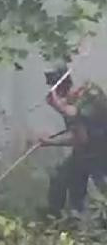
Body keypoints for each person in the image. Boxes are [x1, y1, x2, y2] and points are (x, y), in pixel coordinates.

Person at [39, 66, 107, 214]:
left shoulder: (89, 94)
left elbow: (81, 136)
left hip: (101, 155)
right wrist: (49, 142)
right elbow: (77, 136)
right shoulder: (69, 105)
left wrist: (59, 107)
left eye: (54, 87)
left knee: (103, 191)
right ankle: (59, 218)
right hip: (84, 154)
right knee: (60, 179)